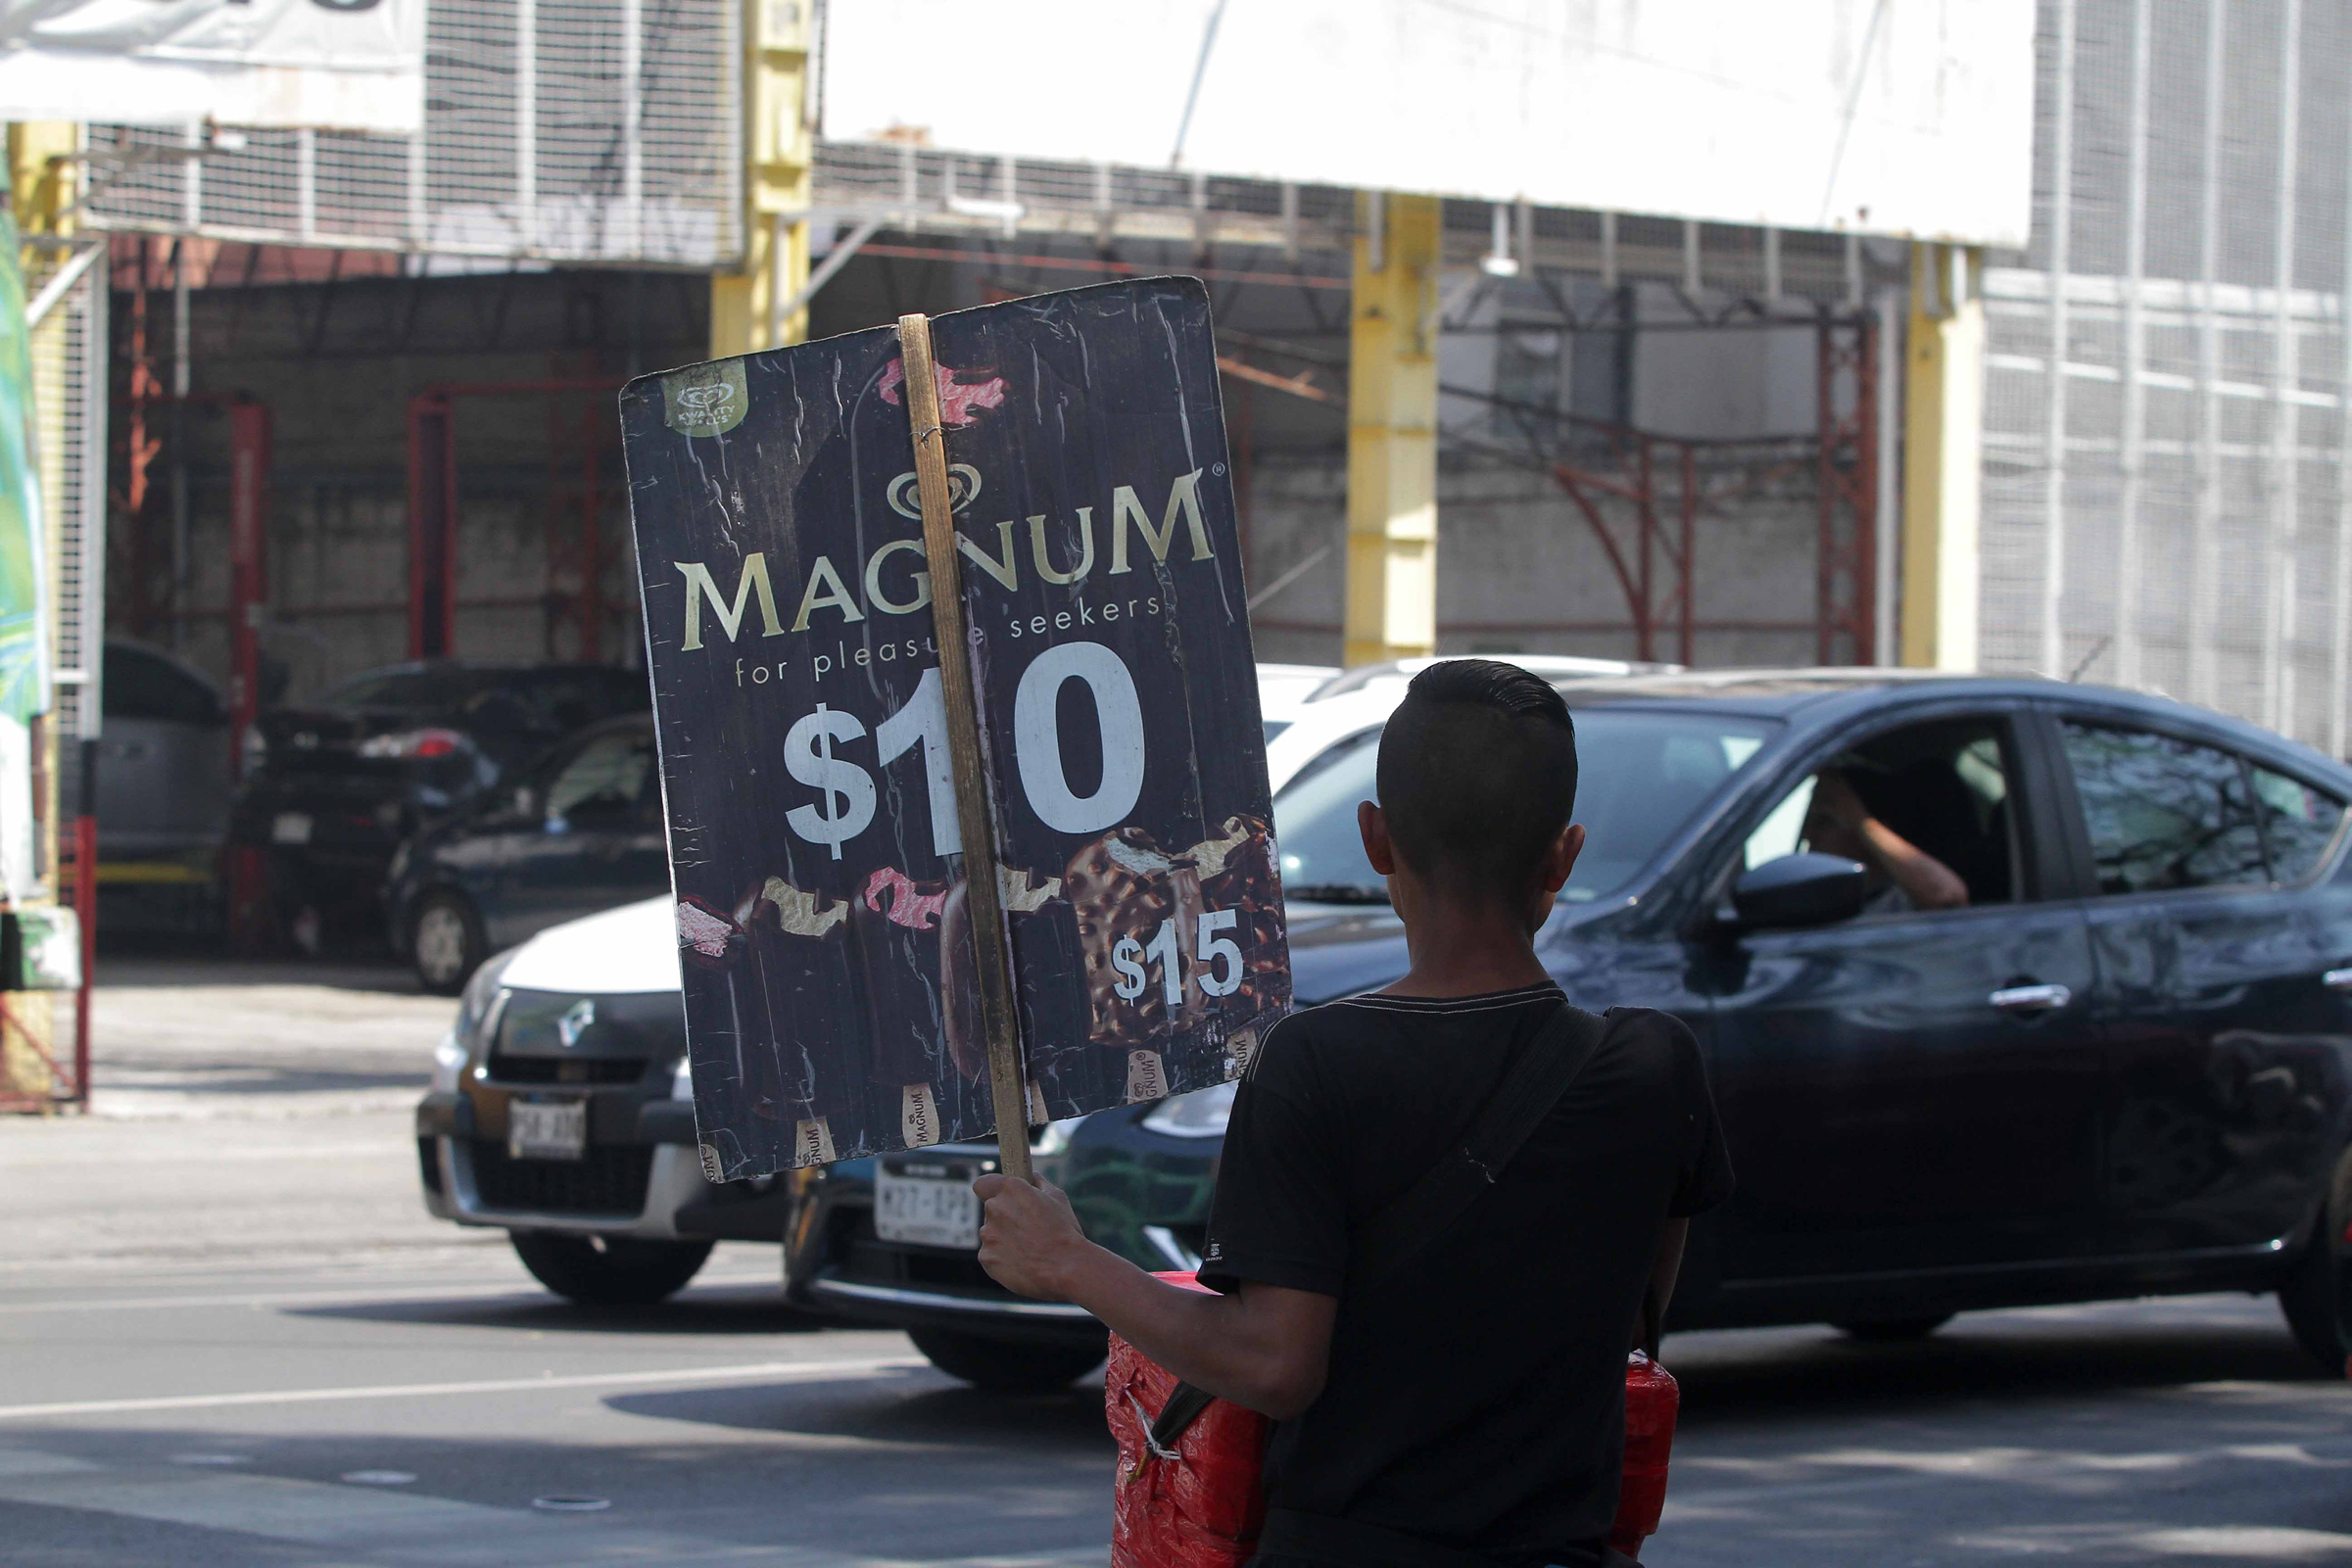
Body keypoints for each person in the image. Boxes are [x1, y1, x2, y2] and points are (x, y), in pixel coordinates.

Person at [975, 659, 1732, 1568]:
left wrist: (1068, 1261)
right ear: (1564, 854)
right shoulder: (1654, 1065)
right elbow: (1636, 1319)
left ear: (1375, 838)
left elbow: (1273, 1364)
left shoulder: (1314, 1062)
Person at [1801, 767, 1970, 913]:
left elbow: (1948, 898)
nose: (1809, 834)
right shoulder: (1822, 899)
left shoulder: (1899, 900)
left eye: (1824, 822)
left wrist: (1861, 821)